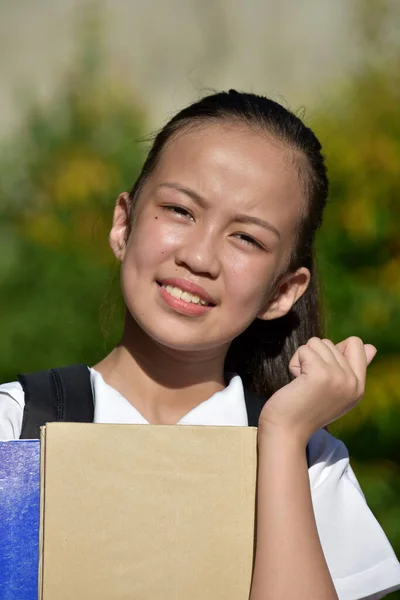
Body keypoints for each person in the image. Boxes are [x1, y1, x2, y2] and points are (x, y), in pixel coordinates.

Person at [0, 90, 399, 599]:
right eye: (180, 210)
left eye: (246, 238)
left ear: (282, 292)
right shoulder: (16, 426)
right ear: (123, 223)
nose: (200, 256)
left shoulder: (309, 463)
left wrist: (280, 437)